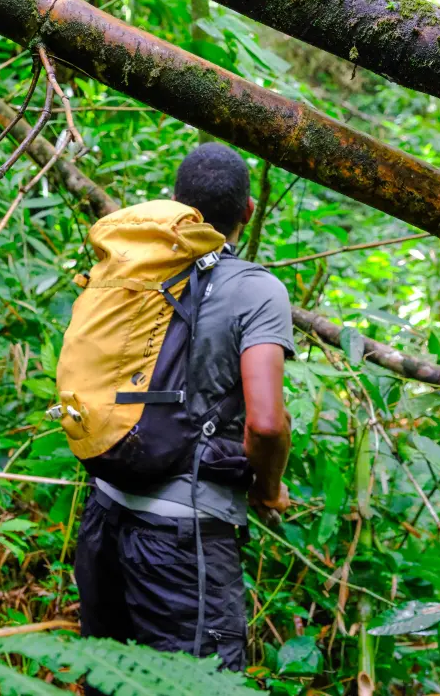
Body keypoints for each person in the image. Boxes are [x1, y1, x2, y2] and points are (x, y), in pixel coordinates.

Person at [75, 143, 293, 689]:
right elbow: (265, 423)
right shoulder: (257, 290)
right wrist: (269, 489)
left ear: (178, 205)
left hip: (105, 511)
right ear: (248, 210)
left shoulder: (135, 269)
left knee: (112, 679)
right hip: (183, 539)